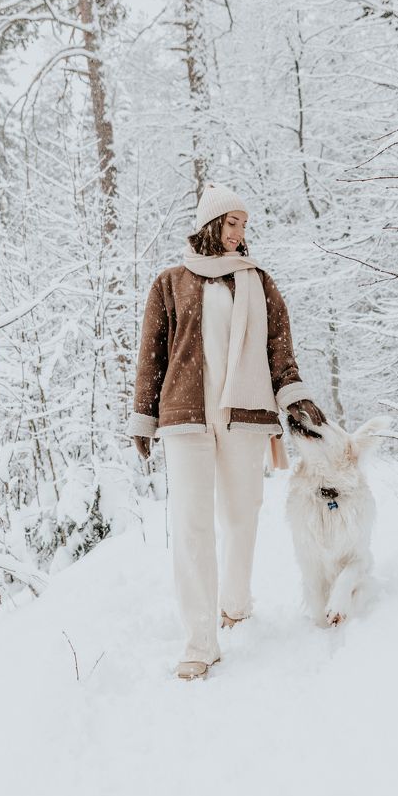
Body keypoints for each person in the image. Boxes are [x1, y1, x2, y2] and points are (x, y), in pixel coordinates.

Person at [126, 182, 326, 680]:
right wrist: (143, 416)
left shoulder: (259, 281)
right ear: (211, 224)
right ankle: (199, 642)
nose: (239, 233)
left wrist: (295, 396)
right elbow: (151, 355)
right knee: (191, 525)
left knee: (242, 515)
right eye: (232, 222)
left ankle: (234, 603)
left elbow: (279, 348)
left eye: (244, 224)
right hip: (185, 414)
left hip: (247, 414)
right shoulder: (170, 282)